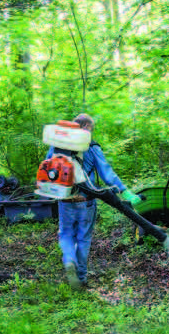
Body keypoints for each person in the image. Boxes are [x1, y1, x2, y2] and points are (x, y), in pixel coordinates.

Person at [47, 113, 141, 290]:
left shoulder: (57, 144)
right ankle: (81, 278)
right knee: (83, 238)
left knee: (66, 235)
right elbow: (107, 174)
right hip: (86, 201)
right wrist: (125, 192)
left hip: (64, 200)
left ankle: (69, 261)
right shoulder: (91, 146)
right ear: (86, 127)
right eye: (91, 128)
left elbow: (48, 169)